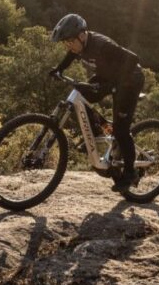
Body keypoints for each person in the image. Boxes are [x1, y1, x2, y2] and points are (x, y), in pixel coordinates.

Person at [48, 13, 144, 192]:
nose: (68, 46)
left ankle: (130, 173)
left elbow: (133, 59)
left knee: (121, 130)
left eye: (70, 41)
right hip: (108, 76)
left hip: (130, 80)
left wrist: (113, 85)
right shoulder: (79, 45)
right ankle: (97, 133)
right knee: (81, 94)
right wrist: (58, 69)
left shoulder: (102, 45)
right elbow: (71, 55)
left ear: (82, 35)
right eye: (66, 42)